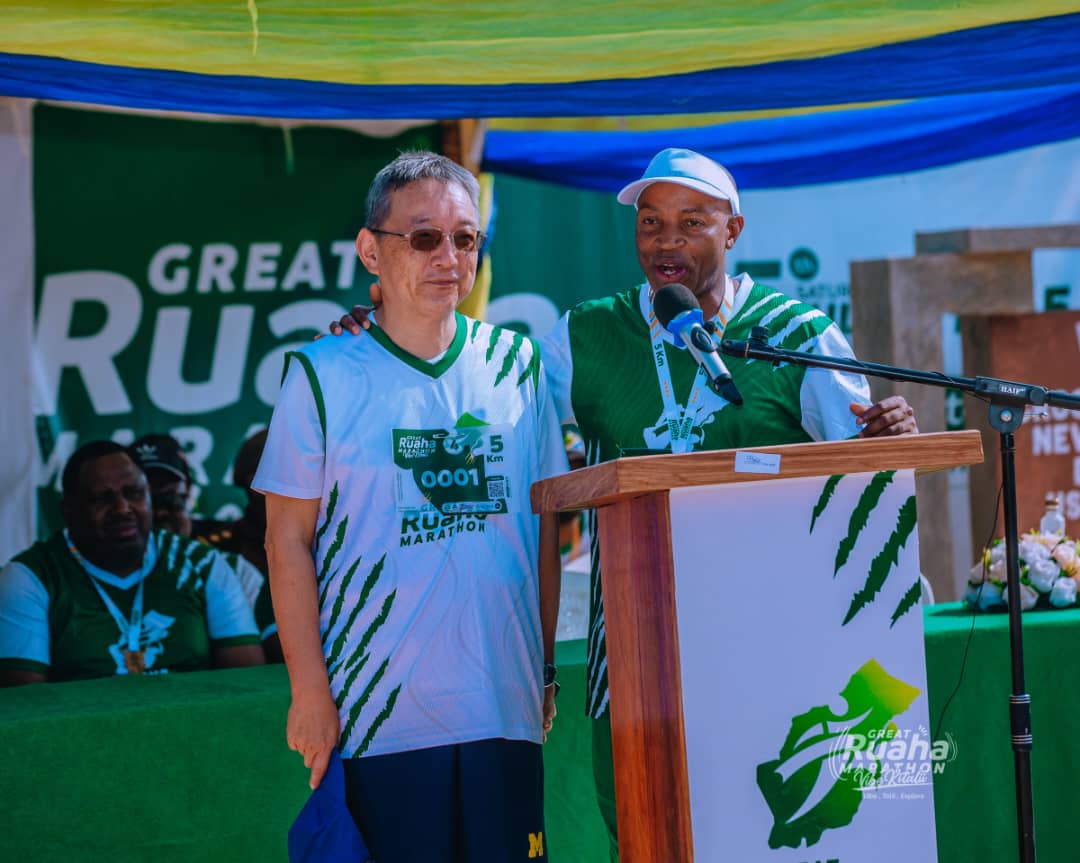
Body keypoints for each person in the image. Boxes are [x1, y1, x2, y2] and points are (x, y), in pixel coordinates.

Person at [331, 147, 919, 859]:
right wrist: (380, 331)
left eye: (690, 222)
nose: (665, 242)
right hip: (638, 662)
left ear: (733, 231)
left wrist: (892, 436)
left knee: (770, 837)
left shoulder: (794, 335)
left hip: (775, 649)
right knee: (650, 839)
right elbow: (480, 395)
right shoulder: (585, 336)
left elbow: (866, 473)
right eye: (650, 223)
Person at [253, 151, 566, 861]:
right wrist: (309, 692)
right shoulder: (320, 373)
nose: (448, 256)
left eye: (465, 238)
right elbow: (286, 541)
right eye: (424, 236)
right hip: (377, 720)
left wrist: (543, 669)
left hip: (502, 713)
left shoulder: (520, 366)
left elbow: (544, 529)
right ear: (372, 248)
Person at [0, 441, 265, 685]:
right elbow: (26, 701)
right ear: (67, 510)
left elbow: (245, 684)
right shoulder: (29, 577)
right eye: (101, 498)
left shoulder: (202, 563)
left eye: (134, 493)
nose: (122, 508)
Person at [129, 431, 280, 661]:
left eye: (169, 497)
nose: (158, 511)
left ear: (188, 490)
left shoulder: (223, 560)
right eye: (144, 497)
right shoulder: (107, 570)